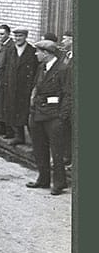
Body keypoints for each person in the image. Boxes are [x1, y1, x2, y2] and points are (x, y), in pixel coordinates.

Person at [26, 40, 71, 195]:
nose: (35, 54)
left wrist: (61, 117)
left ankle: (59, 183)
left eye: (38, 51)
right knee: (39, 148)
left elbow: (68, 94)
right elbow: (36, 88)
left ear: (46, 53)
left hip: (54, 116)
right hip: (38, 113)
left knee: (56, 151)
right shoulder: (41, 67)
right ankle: (43, 178)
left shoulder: (63, 69)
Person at [3, 28, 38, 143]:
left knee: (27, 113)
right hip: (13, 86)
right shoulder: (10, 50)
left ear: (25, 37)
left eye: (20, 36)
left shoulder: (32, 51)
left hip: (26, 87)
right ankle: (19, 136)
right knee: (14, 110)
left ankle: (35, 142)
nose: (18, 39)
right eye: (16, 36)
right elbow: (6, 68)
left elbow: (36, 70)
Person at [58, 31, 73, 167]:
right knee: (65, 127)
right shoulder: (64, 55)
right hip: (64, 96)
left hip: (72, 97)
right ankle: (66, 157)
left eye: (65, 39)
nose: (62, 42)